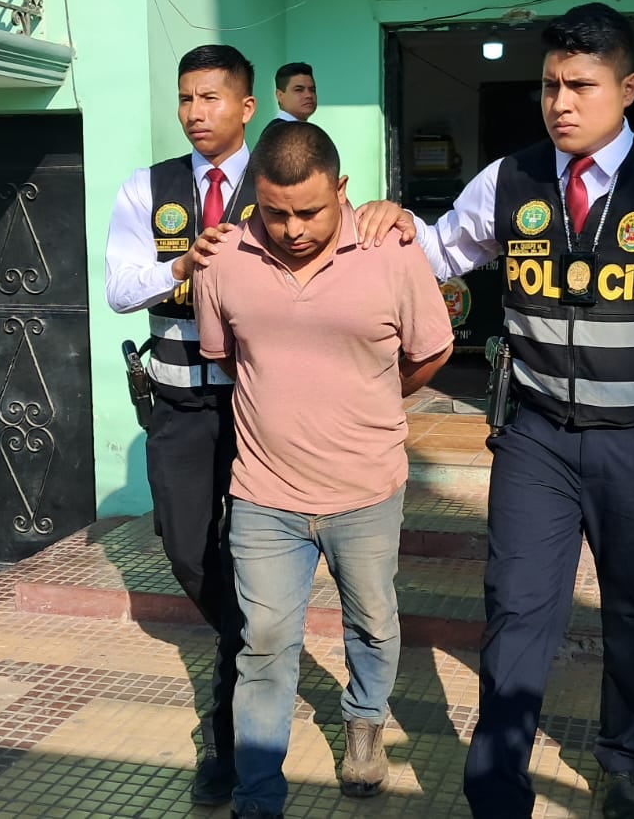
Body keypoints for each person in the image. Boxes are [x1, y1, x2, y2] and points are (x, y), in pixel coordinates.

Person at [359, 2, 634, 819]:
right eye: (551, 85)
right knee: (517, 607)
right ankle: (497, 788)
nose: (560, 102)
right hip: (536, 437)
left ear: (628, 88)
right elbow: (441, 251)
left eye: (581, 85)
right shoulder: (509, 179)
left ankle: (624, 765)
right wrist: (392, 223)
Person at [192, 121, 455, 819]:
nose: (292, 229)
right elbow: (229, 358)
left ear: (341, 188)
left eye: (309, 211)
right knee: (263, 642)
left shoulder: (390, 250)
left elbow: (432, 349)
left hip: (365, 489)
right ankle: (257, 797)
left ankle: (364, 722)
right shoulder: (224, 258)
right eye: (275, 212)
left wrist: (375, 398)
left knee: (373, 622)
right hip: (264, 493)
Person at [103, 43, 260, 806]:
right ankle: (247, 641)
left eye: (211, 98)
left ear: (246, 107)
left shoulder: (279, 181)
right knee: (186, 549)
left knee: (255, 553)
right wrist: (179, 267)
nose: (195, 112)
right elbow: (119, 289)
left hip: (260, 406)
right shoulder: (149, 188)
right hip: (178, 407)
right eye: (186, 98)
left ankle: (227, 728)